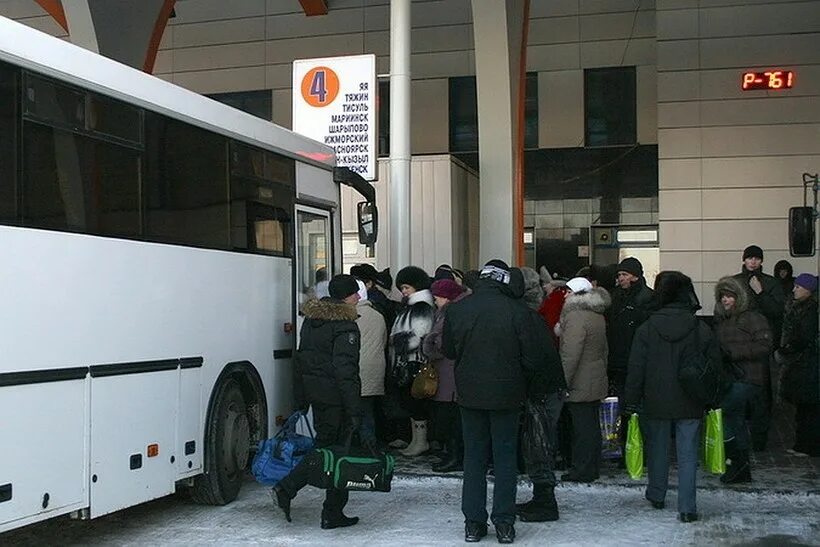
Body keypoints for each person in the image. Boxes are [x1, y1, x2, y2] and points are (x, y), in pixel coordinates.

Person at [443, 260, 538, 544]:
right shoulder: (519, 311)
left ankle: (473, 523)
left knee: (473, 458)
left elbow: (448, 350)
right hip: (508, 395)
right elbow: (530, 357)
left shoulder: (458, 309)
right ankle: (505, 523)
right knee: (505, 458)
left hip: (469, 393)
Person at [625, 271, 717, 524]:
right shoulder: (700, 328)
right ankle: (687, 507)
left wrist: (631, 399)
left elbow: (637, 367)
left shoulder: (647, 327)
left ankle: (657, 493)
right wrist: (712, 398)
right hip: (691, 399)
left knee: (658, 448)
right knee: (688, 455)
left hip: (656, 398)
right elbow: (714, 365)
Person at [273, 274, 363, 529]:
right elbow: (345, 371)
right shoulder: (345, 326)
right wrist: (354, 408)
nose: (358, 297)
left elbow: (302, 360)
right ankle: (293, 491)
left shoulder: (312, 321)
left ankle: (330, 510)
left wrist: (301, 398)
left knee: (329, 448)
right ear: (345, 296)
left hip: (318, 395)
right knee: (335, 451)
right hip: (337, 398)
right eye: (355, 293)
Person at [516, 267, 567, 522]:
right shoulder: (535, 319)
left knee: (539, 446)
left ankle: (545, 502)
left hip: (543, 391)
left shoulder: (528, 320)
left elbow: (532, 361)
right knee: (540, 445)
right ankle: (542, 498)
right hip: (549, 389)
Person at [713, 276, 773, 483]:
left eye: (729, 296)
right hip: (733, 377)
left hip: (749, 377)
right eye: (722, 297)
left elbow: (765, 345)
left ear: (739, 298)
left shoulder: (753, 318)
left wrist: (733, 352)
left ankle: (736, 463)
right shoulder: (723, 321)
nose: (725, 301)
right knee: (734, 419)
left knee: (726, 412)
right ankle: (741, 467)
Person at [731, 245, 785, 451]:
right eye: (749, 258)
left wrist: (760, 293)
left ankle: (759, 440)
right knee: (737, 391)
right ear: (744, 260)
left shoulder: (770, 283)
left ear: (762, 261)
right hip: (738, 342)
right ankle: (737, 439)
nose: (753, 262)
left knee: (760, 394)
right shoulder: (735, 281)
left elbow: (777, 311)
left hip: (761, 343)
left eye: (756, 259)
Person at [559, 276, 610, 483]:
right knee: (591, 426)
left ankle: (581, 470)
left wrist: (562, 382)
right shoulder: (596, 314)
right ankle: (592, 467)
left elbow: (570, 353)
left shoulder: (576, 317)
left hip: (579, 380)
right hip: (595, 377)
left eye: (568, 291)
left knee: (581, 429)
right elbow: (604, 350)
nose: (564, 295)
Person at [423, 278, 470, 472]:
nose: (435, 301)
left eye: (437, 297)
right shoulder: (453, 311)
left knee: (451, 417)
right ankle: (453, 454)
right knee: (451, 417)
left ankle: (454, 456)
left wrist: (428, 344)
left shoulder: (450, 313)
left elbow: (443, 343)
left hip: (449, 371)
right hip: (449, 371)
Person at [390, 265, 435, 456]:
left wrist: (397, 341)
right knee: (411, 402)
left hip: (413, 361)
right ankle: (417, 440)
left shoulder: (421, 308)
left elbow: (419, 335)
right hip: (407, 360)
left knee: (416, 403)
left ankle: (420, 441)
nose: (403, 291)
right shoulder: (413, 307)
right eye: (402, 288)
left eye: (406, 287)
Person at [776, 273, 819, 457]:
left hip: (807, 364)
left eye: (798, 287)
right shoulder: (802, 308)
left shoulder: (810, 310)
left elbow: (803, 337)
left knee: (808, 408)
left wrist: (787, 349)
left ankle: (807, 446)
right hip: (803, 363)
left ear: (808, 290)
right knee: (804, 407)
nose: (794, 289)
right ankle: (802, 444)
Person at [608, 257, 654, 400]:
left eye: (625, 275)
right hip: (618, 356)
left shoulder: (647, 297)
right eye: (619, 275)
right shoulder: (615, 296)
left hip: (636, 353)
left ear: (635, 276)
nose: (621, 278)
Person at [354, 280, 388, 447]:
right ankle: (371, 447)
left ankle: (362, 448)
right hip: (376, 370)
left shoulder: (352, 315)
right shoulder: (378, 316)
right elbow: (383, 341)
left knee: (358, 413)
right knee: (368, 411)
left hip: (358, 369)